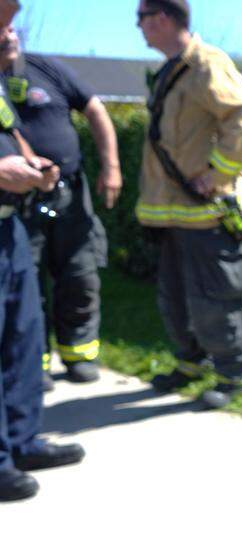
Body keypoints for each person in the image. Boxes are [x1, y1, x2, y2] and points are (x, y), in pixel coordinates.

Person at [135, 0, 242, 409]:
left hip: (212, 211)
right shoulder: (172, 71)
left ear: (161, 19)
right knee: (177, 299)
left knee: (219, 297)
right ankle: (192, 363)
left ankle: (241, 373)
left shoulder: (206, 63)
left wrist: (217, 174)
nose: (138, 27)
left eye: (141, 19)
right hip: (178, 214)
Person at [0, 24, 120, 389]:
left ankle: (79, 353)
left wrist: (111, 167)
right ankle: (34, 362)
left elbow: (96, 111)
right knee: (27, 280)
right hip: (16, 201)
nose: (9, 35)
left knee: (80, 272)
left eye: (10, 27)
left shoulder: (47, 69)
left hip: (68, 192)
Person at [0, 0, 86, 502]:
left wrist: (35, 164)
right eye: (3, 18)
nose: (10, 29)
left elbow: (10, 137)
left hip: (10, 229)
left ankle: (21, 440)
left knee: (24, 339)